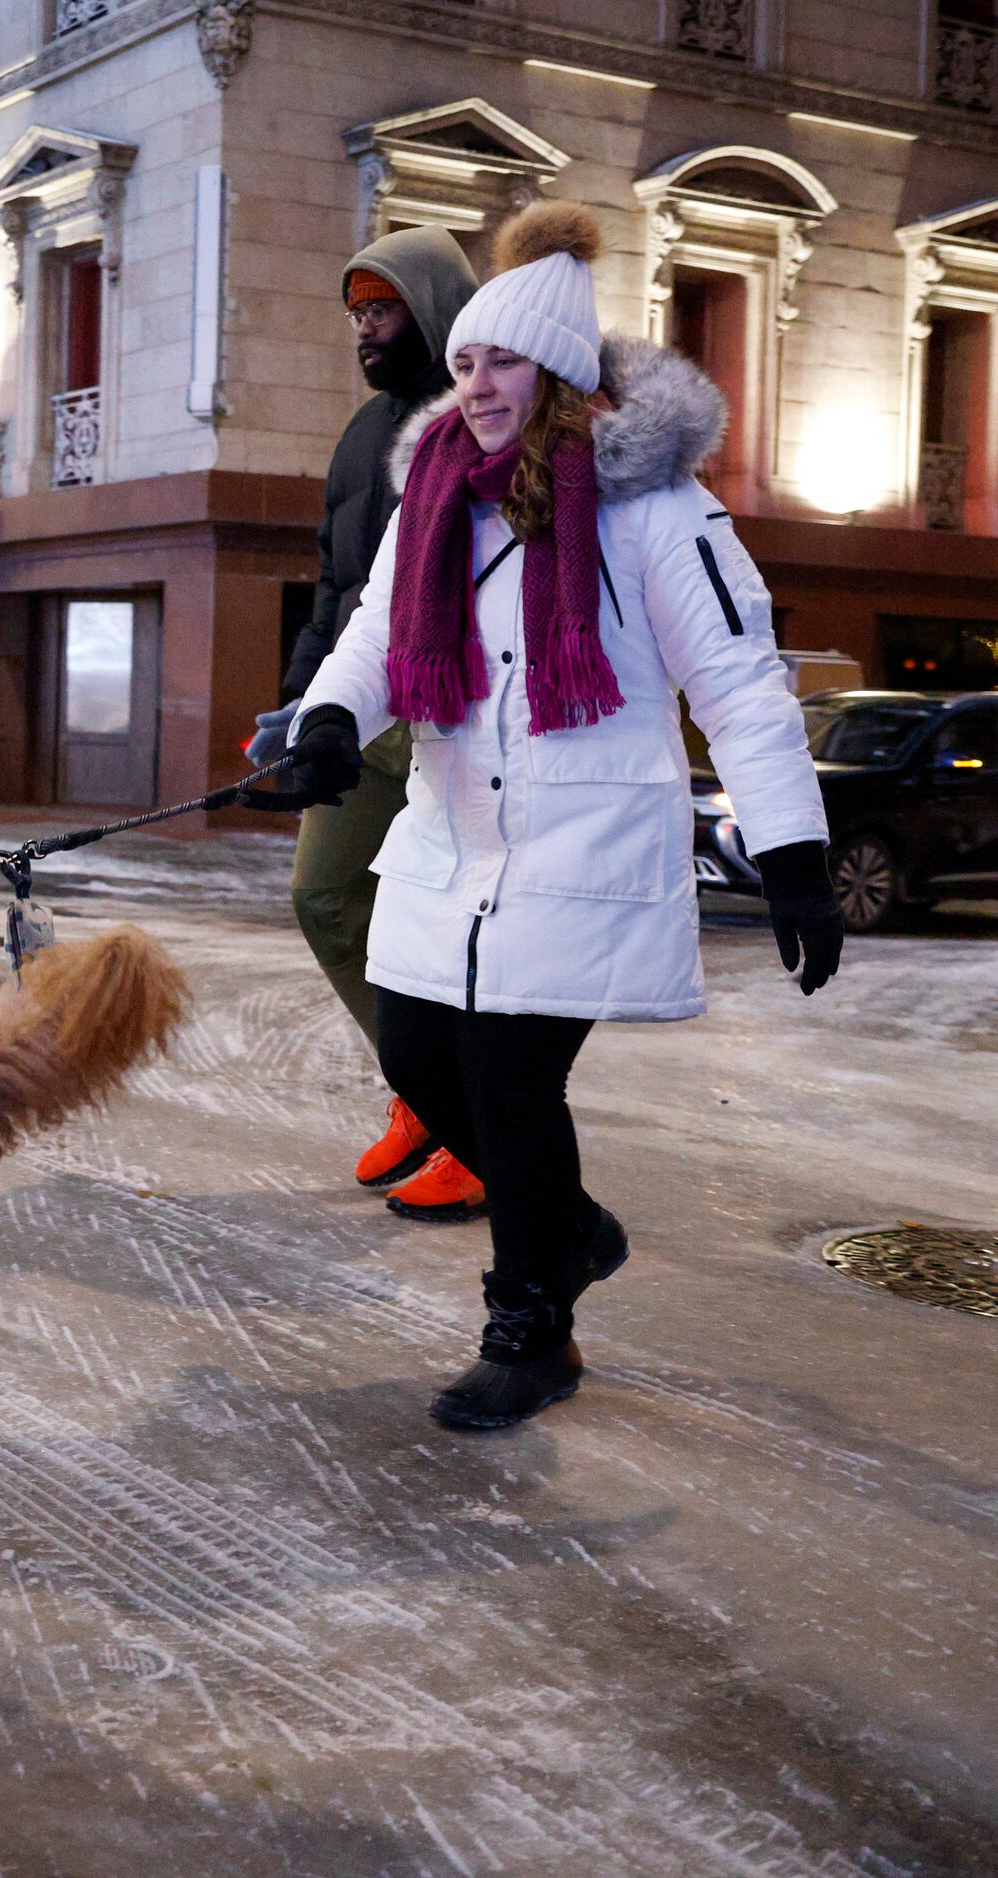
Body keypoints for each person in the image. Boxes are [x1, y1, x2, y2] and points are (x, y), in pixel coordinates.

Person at [278, 200, 842, 1430]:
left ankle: (530, 1325)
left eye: (502, 363)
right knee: (415, 1056)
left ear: (560, 376)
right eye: (466, 359)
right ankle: (570, 1227)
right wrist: (328, 717)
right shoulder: (434, 490)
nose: (475, 384)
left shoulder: (654, 509)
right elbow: (373, 635)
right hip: (450, 837)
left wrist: (790, 846)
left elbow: (740, 680)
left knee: (509, 1081)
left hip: (581, 842)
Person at [262, 226, 486, 1219]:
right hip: (359, 712)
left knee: (446, 931)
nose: (363, 328)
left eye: (381, 309)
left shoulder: (481, 417)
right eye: (355, 312)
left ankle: (473, 1130)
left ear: (432, 308)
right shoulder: (361, 435)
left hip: (453, 715)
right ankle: (422, 1095)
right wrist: (298, 705)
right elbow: (334, 584)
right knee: (322, 896)